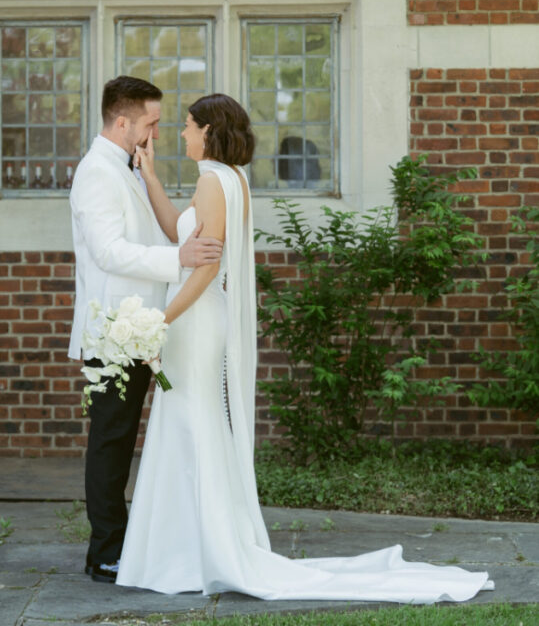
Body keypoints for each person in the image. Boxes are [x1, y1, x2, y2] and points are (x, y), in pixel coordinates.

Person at [115, 93, 494, 603]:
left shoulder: (212, 182)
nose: (180, 134)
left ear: (208, 131)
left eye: (186, 127)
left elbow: (204, 269)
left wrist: (158, 320)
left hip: (195, 320)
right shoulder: (231, 179)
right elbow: (176, 236)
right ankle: (189, 549)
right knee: (190, 420)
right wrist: (151, 177)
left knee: (192, 422)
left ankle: (192, 553)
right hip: (199, 320)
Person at [68, 76, 224, 584]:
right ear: (122, 122)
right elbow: (108, 250)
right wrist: (175, 257)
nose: (157, 132)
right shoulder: (96, 172)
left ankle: (122, 543)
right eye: (151, 123)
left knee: (122, 439)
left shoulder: (128, 167)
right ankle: (105, 552)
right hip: (115, 331)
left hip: (137, 328)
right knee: (111, 441)